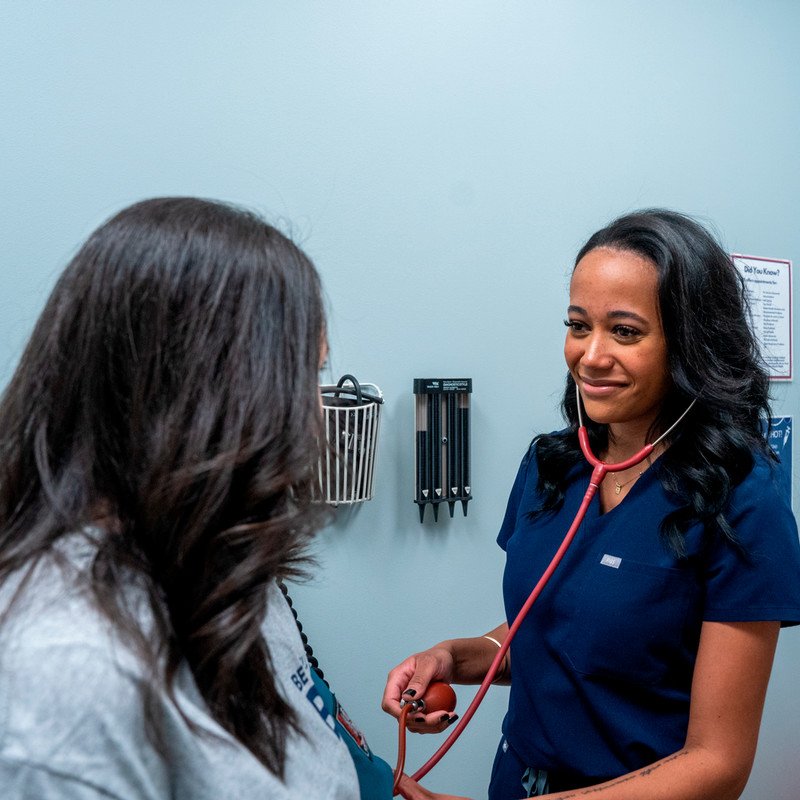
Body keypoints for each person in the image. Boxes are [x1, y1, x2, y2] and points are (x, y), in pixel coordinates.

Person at [384, 209, 800, 800]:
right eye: (579, 326)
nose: (591, 356)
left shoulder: (741, 499)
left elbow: (719, 763)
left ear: (690, 345)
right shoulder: (552, 465)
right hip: (515, 780)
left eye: (625, 332)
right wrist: (454, 657)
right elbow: (559, 625)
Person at [0, 197, 393, 799]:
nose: (315, 416)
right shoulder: (67, 678)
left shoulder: (219, 559)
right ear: (206, 400)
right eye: (303, 381)